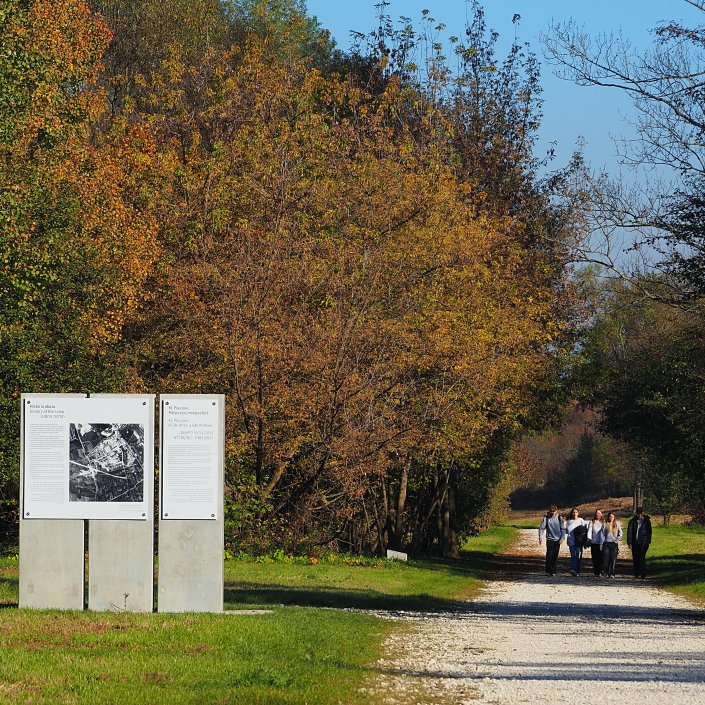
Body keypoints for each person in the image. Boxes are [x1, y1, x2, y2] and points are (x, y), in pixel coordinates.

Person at [538, 504, 566, 576]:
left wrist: (562, 538)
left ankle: (553, 571)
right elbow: (542, 528)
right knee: (549, 555)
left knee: (555, 555)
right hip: (550, 539)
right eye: (551, 512)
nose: (552, 513)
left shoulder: (560, 518)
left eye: (554, 512)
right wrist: (540, 537)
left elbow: (563, 529)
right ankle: (548, 570)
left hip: (557, 540)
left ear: (556, 511)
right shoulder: (546, 518)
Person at [627, 506, 653, 579]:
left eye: (640, 513)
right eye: (638, 513)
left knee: (642, 558)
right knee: (635, 558)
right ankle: (637, 573)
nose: (639, 515)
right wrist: (629, 542)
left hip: (644, 543)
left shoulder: (647, 521)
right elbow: (629, 532)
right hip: (635, 543)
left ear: (642, 513)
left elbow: (649, 531)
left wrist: (648, 541)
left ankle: (643, 572)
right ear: (636, 513)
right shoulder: (632, 521)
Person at [565, 507, 587, 576]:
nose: (575, 513)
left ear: (578, 513)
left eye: (576, 512)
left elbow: (584, 530)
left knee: (578, 556)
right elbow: (566, 530)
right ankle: (573, 570)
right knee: (573, 556)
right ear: (572, 513)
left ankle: (577, 571)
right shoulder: (569, 521)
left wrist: (585, 540)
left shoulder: (581, 520)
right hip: (571, 541)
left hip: (579, 542)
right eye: (573, 512)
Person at [601, 511, 622, 578]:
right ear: (608, 517)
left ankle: (612, 573)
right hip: (606, 543)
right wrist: (601, 543)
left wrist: (617, 539)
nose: (611, 518)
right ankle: (605, 572)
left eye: (612, 517)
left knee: (613, 559)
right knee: (606, 559)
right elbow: (602, 534)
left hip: (614, 543)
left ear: (614, 517)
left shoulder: (616, 524)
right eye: (610, 516)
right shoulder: (605, 524)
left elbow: (620, 533)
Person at [587, 509, 605, 576]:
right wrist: (589, 539)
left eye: (599, 513)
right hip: (594, 543)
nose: (598, 514)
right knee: (595, 558)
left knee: (602, 558)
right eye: (597, 513)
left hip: (602, 543)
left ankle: (601, 570)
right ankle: (596, 572)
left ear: (602, 514)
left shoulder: (604, 522)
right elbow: (589, 532)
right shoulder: (592, 522)